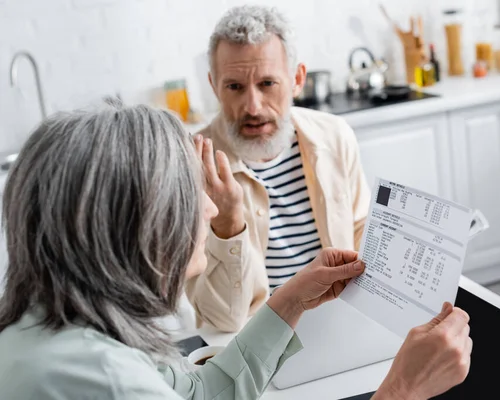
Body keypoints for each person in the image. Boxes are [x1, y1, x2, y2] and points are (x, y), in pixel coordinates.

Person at [0, 103, 472, 399]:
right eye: (189, 193)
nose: (208, 207)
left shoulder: (66, 332)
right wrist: (403, 390)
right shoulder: (105, 379)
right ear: (138, 226)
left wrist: (289, 301)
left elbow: (198, 394)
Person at [187, 5, 372, 332]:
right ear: (214, 85)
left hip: (338, 323)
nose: (253, 107)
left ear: (297, 79)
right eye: (234, 87)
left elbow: (362, 238)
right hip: (252, 337)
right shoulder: (190, 163)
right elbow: (223, 320)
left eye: (267, 83)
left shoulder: (335, 136)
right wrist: (228, 223)